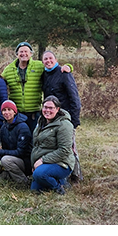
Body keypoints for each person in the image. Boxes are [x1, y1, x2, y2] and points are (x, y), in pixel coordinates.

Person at [1, 42, 71, 132]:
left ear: (31, 54)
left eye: (26, 51)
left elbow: (52, 68)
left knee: (35, 138)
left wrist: (68, 67)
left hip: (35, 112)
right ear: (17, 54)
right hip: (17, 113)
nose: (23, 54)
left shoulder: (39, 66)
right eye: (21, 52)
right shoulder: (8, 70)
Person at [41, 51, 83, 182]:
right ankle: (61, 172)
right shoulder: (45, 75)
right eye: (45, 59)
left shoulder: (64, 73)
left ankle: (76, 175)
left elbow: (74, 98)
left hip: (66, 117)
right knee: (57, 146)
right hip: (51, 116)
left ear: (56, 59)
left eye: (50, 58)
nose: (48, 61)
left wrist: (74, 121)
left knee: (70, 146)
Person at [31, 96, 75, 195]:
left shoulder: (64, 125)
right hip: (44, 162)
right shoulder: (41, 121)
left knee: (39, 175)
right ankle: (59, 180)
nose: (47, 110)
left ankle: (58, 188)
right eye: (45, 107)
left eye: (51, 108)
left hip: (62, 163)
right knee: (34, 190)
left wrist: (42, 161)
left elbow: (64, 150)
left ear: (57, 109)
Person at [0, 100, 32, 185]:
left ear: (15, 112)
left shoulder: (23, 127)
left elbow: (21, 152)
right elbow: (5, 148)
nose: (6, 112)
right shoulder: (4, 127)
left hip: (25, 161)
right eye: (4, 110)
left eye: (9, 109)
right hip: (11, 160)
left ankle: (23, 182)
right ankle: (10, 176)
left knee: (6, 160)